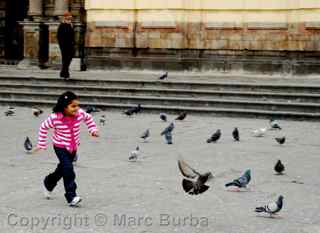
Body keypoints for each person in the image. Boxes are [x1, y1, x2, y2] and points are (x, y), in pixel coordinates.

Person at [33, 91, 99, 207]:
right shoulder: (55, 118)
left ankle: (48, 182)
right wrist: (41, 143)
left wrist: (93, 130)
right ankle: (71, 196)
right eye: (73, 106)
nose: (76, 108)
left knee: (62, 169)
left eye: (77, 105)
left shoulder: (80, 114)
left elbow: (89, 119)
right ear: (64, 106)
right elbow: (43, 127)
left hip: (73, 147)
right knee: (68, 168)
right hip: (60, 146)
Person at [57, 11, 75, 79]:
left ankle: (63, 72)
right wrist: (61, 45)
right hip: (64, 46)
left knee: (68, 59)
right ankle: (65, 73)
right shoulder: (62, 26)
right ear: (65, 19)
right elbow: (59, 36)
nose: (69, 20)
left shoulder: (70, 25)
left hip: (70, 45)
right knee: (65, 59)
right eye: (68, 19)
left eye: (70, 19)